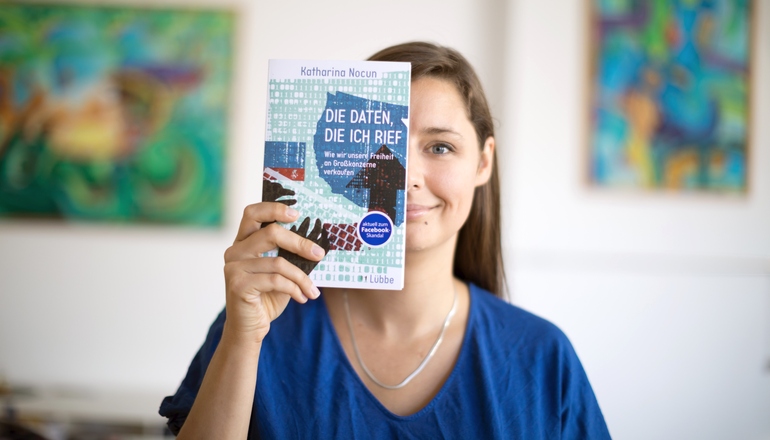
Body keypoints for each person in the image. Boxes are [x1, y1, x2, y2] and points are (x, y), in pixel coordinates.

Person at [160, 41, 611, 439]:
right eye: (381, 145)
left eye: (440, 147)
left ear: (483, 162)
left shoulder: (542, 357)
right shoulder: (256, 326)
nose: (406, 177)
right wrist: (243, 339)